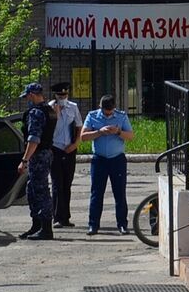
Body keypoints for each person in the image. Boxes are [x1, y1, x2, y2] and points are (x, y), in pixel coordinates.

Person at [81, 95, 134, 236]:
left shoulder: (121, 116)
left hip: (117, 159)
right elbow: (83, 137)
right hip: (99, 159)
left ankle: (122, 224)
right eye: (106, 112)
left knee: (120, 193)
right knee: (96, 193)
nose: (108, 114)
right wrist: (99, 132)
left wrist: (118, 132)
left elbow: (130, 136)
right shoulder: (92, 116)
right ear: (101, 107)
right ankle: (93, 225)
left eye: (111, 112)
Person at [17, 83, 57, 240]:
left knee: (40, 191)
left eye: (27, 96)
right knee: (32, 189)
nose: (26, 99)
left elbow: (34, 139)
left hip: (38, 155)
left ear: (32, 95)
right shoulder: (50, 110)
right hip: (46, 153)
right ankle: (37, 225)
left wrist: (24, 160)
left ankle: (45, 228)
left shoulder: (36, 113)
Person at [48, 82, 83, 228]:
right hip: (54, 148)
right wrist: (55, 113)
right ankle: (56, 217)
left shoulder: (73, 107)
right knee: (57, 184)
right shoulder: (49, 107)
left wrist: (75, 144)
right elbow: (47, 129)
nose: (62, 97)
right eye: (60, 95)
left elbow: (79, 127)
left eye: (65, 95)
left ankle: (66, 217)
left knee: (66, 184)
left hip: (69, 149)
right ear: (55, 95)